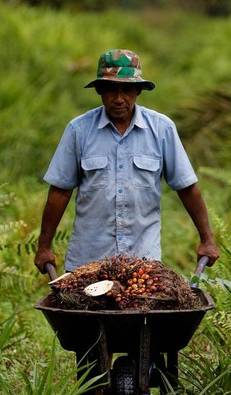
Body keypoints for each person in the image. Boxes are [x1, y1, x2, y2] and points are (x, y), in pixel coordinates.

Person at [34, 48, 219, 277]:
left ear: (138, 90)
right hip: (88, 261)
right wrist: (44, 247)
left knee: (142, 313)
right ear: (100, 90)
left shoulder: (161, 129)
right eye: (111, 90)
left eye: (127, 90)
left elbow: (187, 187)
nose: (119, 99)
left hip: (143, 263)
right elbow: (59, 192)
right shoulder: (79, 130)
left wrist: (207, 239)